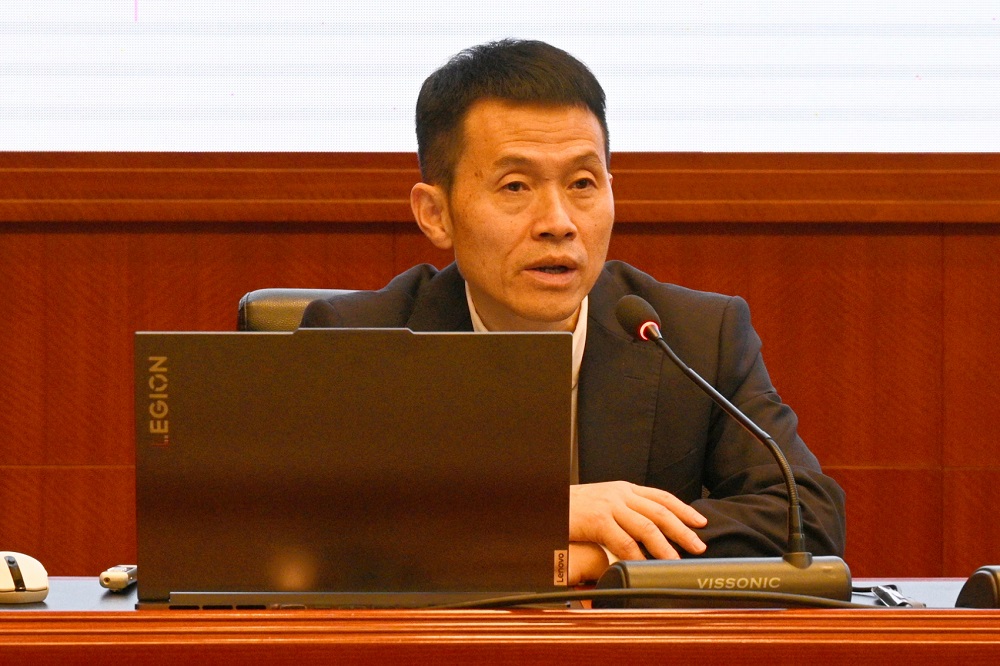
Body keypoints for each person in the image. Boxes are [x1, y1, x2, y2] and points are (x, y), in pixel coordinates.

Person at [301, 39, 846, 584]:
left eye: (582, 183)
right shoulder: (358, 341)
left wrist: (600, 559)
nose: (558, 222)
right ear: (435, 213)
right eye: (516, 186)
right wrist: (549, 510)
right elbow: (304, 530)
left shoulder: (694, 336)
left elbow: (807, 518)